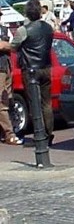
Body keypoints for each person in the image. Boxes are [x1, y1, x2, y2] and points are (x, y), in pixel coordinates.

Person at [12, 0, 56, 145]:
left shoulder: (24, 30)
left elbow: (14, 46)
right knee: (46, 103)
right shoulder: (48, 28)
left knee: (34, 103)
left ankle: (39, 135)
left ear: (27, 13)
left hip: (30, 69)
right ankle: (48, 133)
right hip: (46, 67)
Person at [0, 11, 23, 145]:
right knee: (1, 101)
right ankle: (9, 133)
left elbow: (13, 46)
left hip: (6, 66)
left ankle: (5, 132)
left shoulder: (4, 29)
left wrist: (5, 45)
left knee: (7, 98)